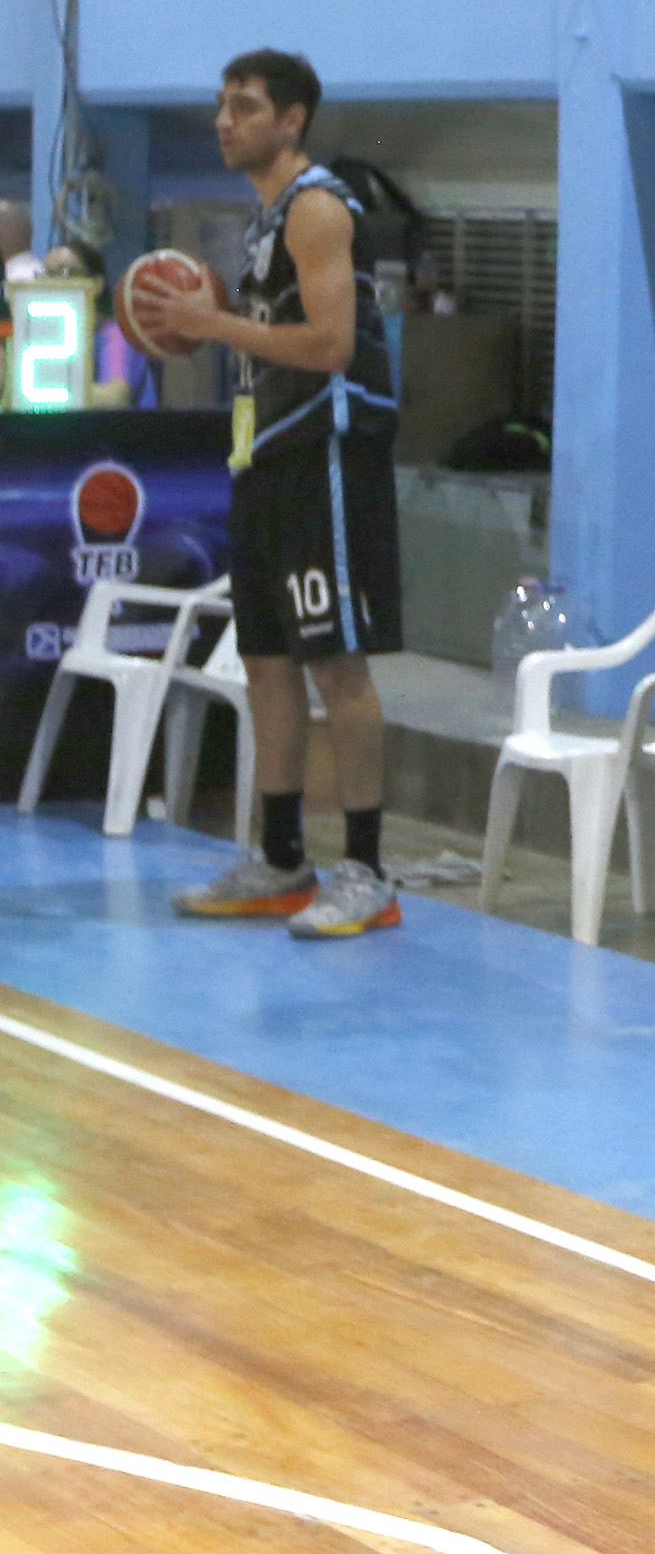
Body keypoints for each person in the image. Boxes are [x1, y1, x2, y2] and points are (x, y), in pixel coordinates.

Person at [162, 50, 406, 939]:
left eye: (244, 106)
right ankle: (279, 857)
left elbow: (333, 344)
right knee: (266, 660)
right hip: (265, 457)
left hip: (327, 457)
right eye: (221, 104)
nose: (223, 121)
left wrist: (214, 324)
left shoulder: (316, 207)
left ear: (292, 119)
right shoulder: (265, 215)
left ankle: (368, 871)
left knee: (337, 663)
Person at [36, 244, 158, 407]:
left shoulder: (116, 335)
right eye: (46, 274)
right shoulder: (42, 341)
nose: (53, 283)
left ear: (97, 283)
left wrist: (37, 393)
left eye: (65, 273)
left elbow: (115, 398)